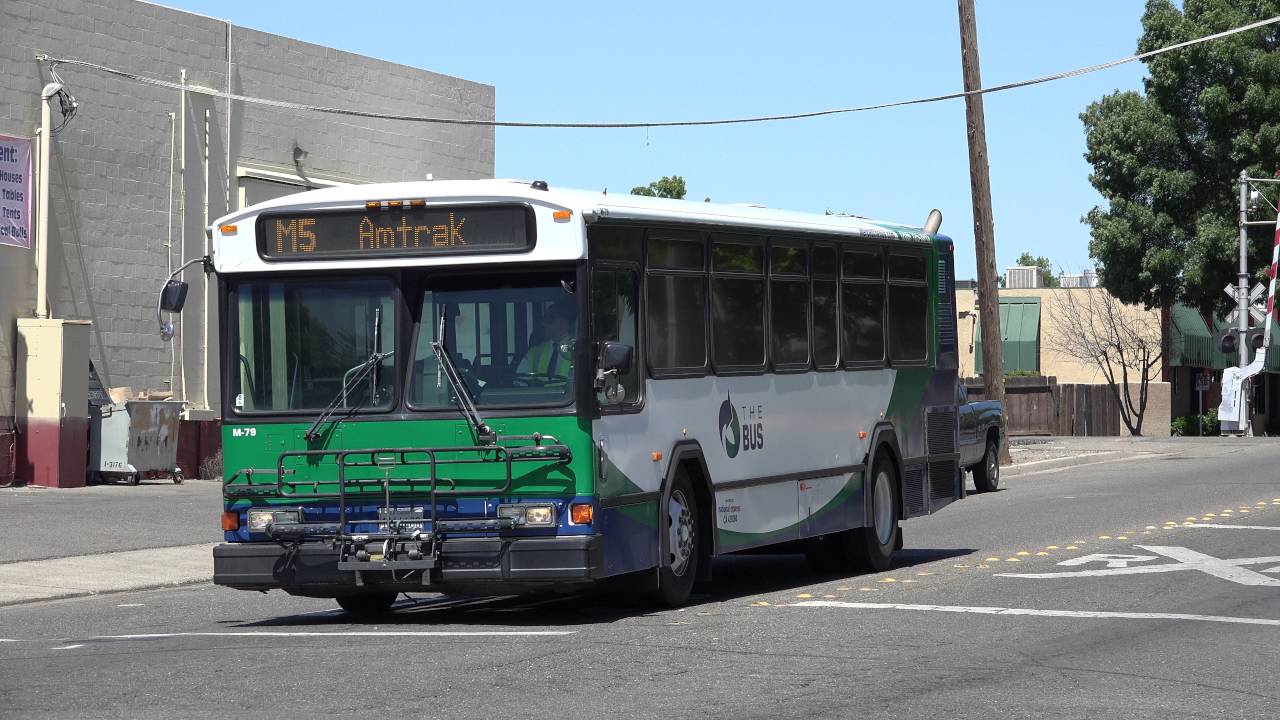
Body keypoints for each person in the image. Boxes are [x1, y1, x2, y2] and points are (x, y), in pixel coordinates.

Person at [516, 300, 575, 382]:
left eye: (550, 319)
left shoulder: (577, 349)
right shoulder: (534, 351)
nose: (543, 323)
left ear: (563, 323)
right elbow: (519, 382)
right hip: (540, 395)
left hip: (568, 395)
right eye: (544, 319)